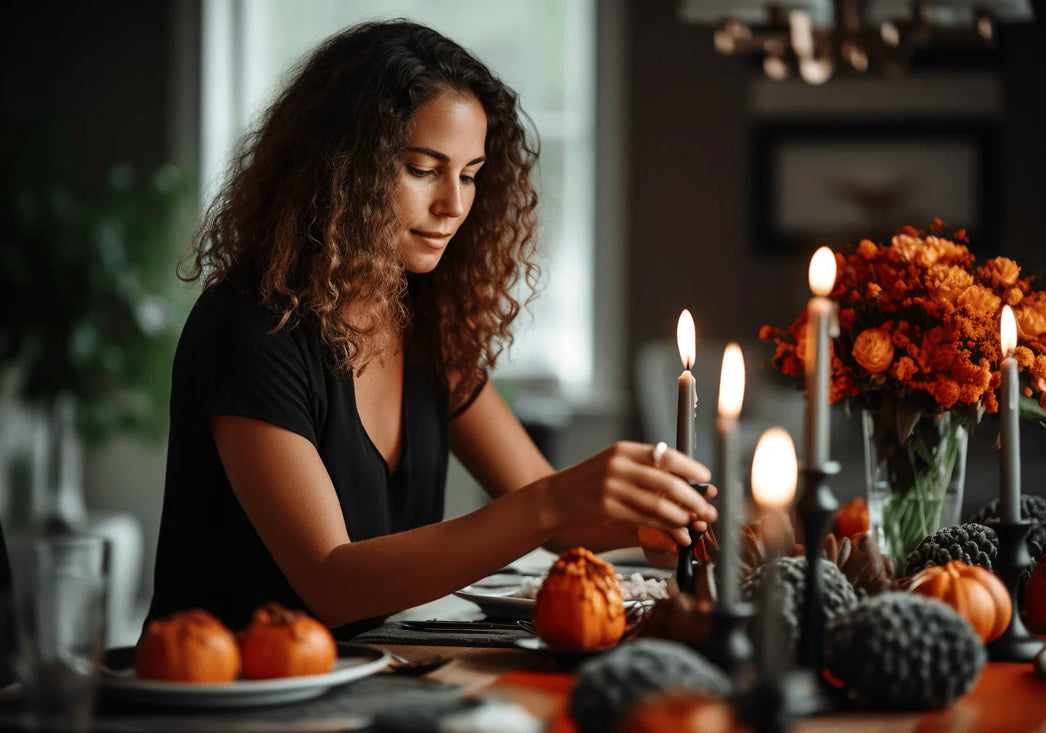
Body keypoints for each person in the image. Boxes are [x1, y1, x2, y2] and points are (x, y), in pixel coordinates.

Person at [146, 19, 716, 639]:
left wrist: (656, 524)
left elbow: (556, 520)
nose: (453, 205)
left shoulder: (424, 324)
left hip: (374, 684)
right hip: (222, 693)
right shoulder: (250, 328)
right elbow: (333, 584)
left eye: (469, 174)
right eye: (422, 169)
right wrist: (556, 500)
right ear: (341, 173)